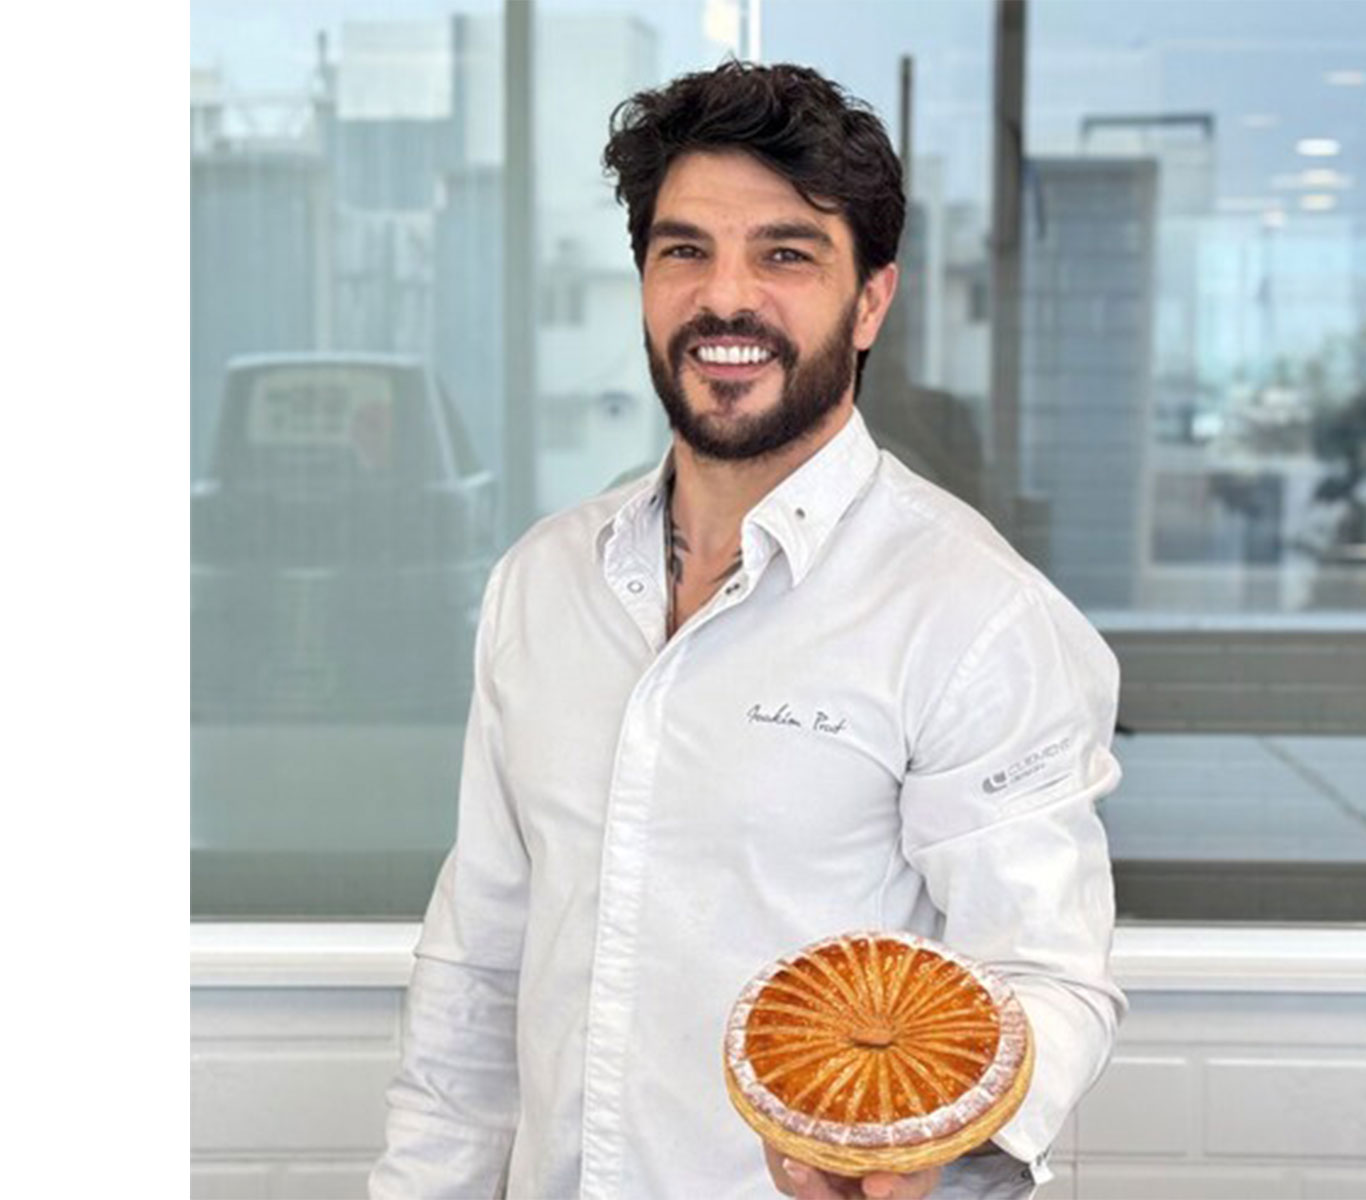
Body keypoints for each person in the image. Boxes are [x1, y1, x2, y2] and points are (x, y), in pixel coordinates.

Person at [370, 61, 1125, 1200]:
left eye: (785, 254)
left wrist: (932, 1147)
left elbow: (1045, 979)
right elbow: (481, 959)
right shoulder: (542, 582)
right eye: (685, 251)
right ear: (641, 281)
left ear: (870, 299)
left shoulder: (972, 616)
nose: (726, 299)